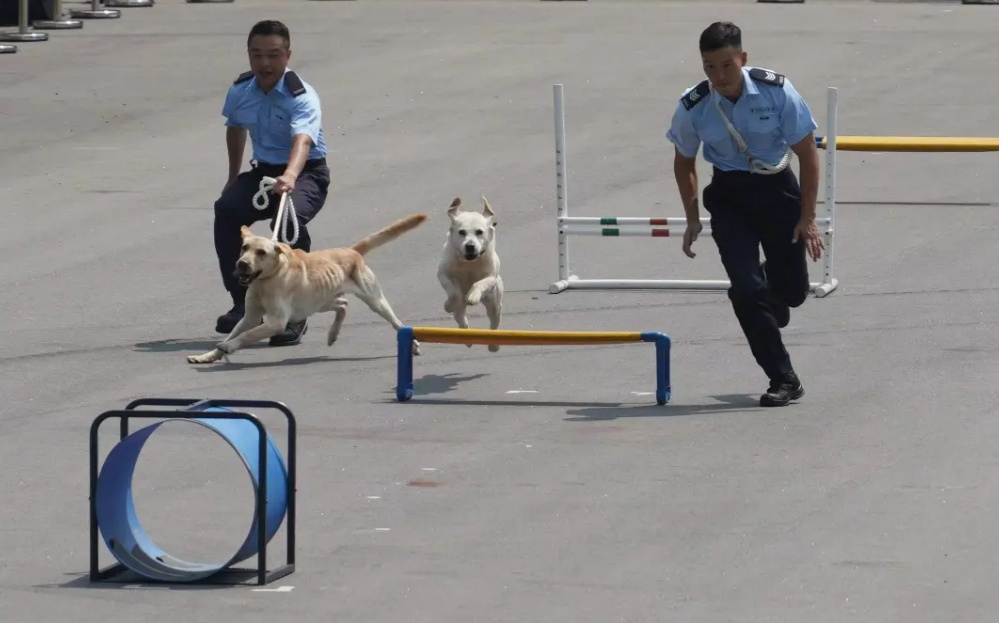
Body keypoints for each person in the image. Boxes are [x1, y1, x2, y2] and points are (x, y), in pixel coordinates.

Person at [665, 21, 825, 407]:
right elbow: (684, 161)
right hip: (730, 196)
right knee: (744, 288)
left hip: (777, 190)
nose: (718, 76)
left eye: (726, 65)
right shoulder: (694, 104)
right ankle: (782, 377)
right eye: (709, 67)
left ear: (743, 58)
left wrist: (807, 217)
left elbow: (807, 153)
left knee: (792, 293)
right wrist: (690, 218)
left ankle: (772, 293)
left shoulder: (776, 91)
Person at [212, 19, 331, 346]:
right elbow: (235, 128)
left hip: (307, 173)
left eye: (274, 55)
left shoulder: (302, 95)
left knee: (288, 218)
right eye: (257, 54)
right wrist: (233, 177)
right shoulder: (240, 91)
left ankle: (295, 312)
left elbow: (303, 141)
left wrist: (291, 176)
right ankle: (242, 302)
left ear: (287, 55)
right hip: (262, 171)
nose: (265, 63)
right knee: (227, 210)